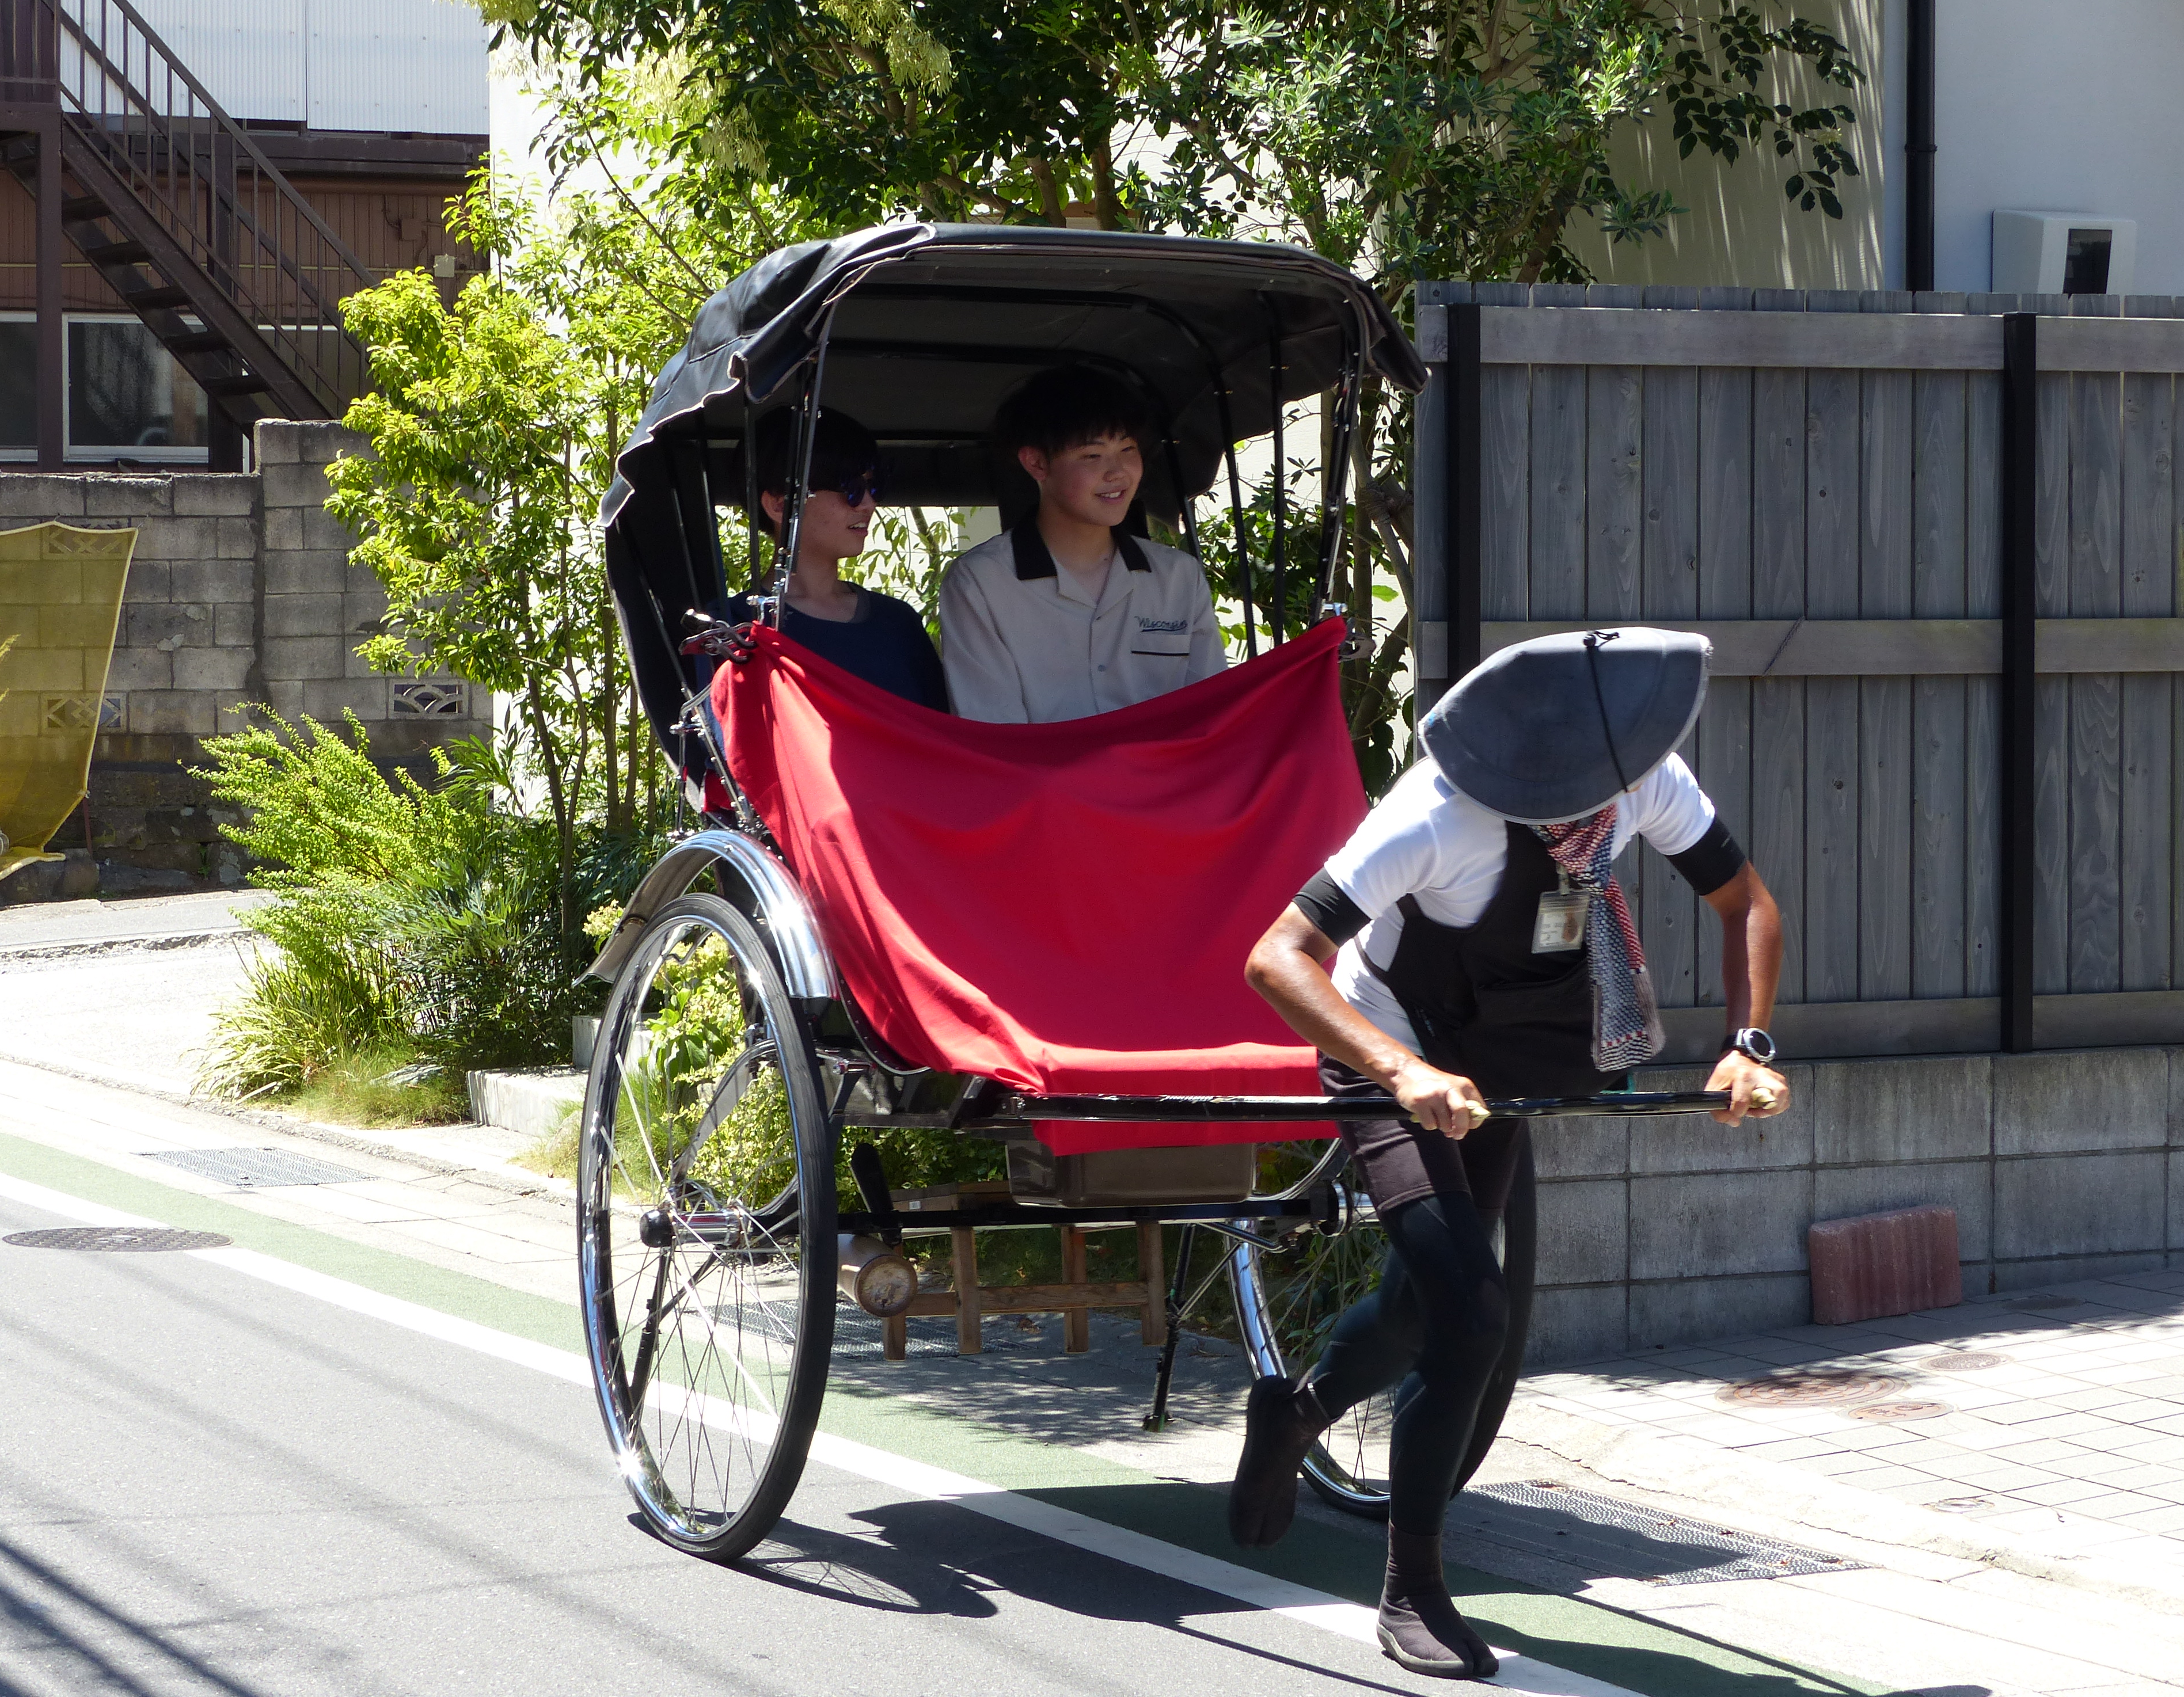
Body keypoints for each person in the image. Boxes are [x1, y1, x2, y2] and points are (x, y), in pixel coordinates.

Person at [1235, 627, 1790, 1680]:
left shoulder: (1642, 776)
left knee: (1416, 1308)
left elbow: (1745, 901)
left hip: (1490, 1061)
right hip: (1387, 1050)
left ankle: (1294, 1416)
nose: (1600, 807)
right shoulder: (1438, 812)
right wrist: (1402, 1072)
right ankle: (1412, 1591)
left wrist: (1747, 1044)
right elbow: (1276, 958)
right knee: (1473, 1312)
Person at [937, 367, 1224, 722]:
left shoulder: (1178, 576)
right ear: (1037, 463)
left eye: (1128, 449)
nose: (1118, 472)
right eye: (1093, 455)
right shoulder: (981, 582)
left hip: (1166, 775)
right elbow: (993, 730)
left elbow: (1212, 710)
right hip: (1037, 777)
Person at [731, 408, 948, 711]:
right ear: (780, 504)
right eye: (851, 489)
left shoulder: (899, 623)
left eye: (874, 486)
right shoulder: (734, 628)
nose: (869, 504)